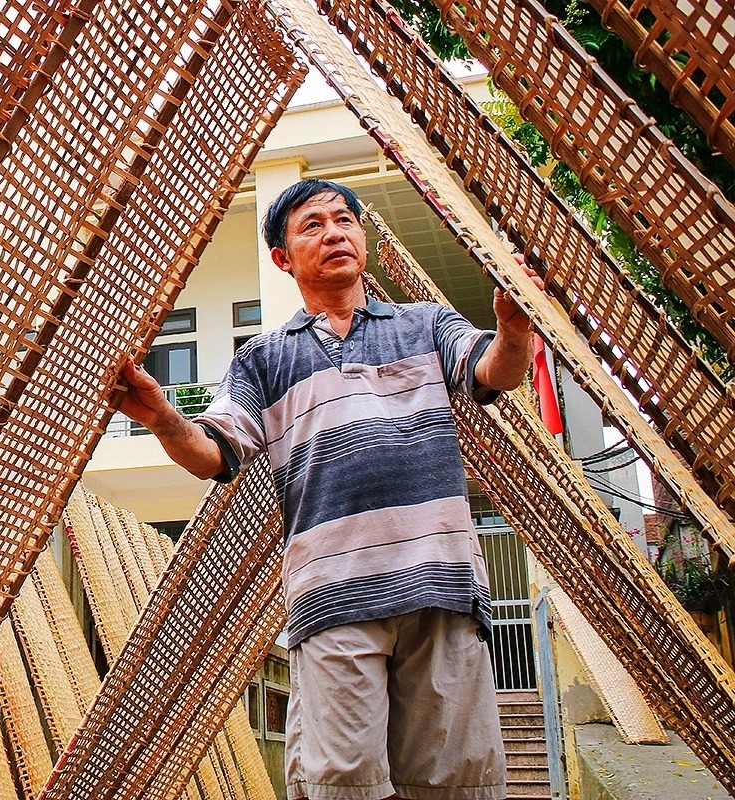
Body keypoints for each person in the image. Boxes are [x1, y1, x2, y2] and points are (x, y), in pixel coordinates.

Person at [117, 179, 543, 800]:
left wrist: (514, 330)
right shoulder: (264, 359)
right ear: (282, 258)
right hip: (332, 596)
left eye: (344, 220)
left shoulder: (426, 324)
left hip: (441, 582)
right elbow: (212, 454)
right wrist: (161, 417)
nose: (334, 233)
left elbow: (494, 370)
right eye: (312, 226)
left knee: (454, 783)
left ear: (362, 238)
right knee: (340, 783)